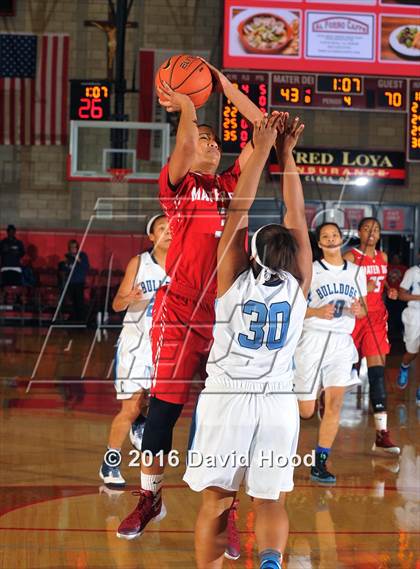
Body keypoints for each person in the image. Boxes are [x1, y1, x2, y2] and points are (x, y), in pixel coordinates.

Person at [116, 63, 267, 553]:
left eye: (214, 139)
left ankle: (229, 512)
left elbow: (263, 129)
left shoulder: (231, 188)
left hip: (228, 316)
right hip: (182, 313)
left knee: (230, 420)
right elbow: (182, 147)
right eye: (203, 137)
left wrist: (226, 89)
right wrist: (186, 105)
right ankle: (150, 498)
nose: (210, 142)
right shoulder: (178, 186)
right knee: (162, 416)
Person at [184, 114, 311, 569]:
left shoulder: (232, 279)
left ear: (251, 251)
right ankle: (271, 560)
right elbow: (296, 215)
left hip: (228, 398)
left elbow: (238, 210)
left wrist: (260, 152)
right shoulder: (301, 283)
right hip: (278, 400)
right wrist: (287, 155)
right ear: (294, 254)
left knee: (217, 502)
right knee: (271, 499)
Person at [100, 214, 171, 488]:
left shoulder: (183, 265)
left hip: (166, 346)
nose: (168, 232)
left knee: (154, 405)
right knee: (129, 408)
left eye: (171, 227)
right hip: (135, 345)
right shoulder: (139, 263)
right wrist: (128, 297)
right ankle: (110, 460)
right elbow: (117, 304)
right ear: (152, 236)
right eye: (161, 228)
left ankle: (141, 421)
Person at [294, 222, 367, 484]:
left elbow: (365, 308)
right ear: (320, 243)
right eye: (325, 236)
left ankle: (320, 463)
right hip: (312, 340)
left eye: (335, 234)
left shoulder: (357, 273)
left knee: (335, 404)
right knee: (306, 411)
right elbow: (295, 308)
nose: (331, 239)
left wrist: (359, 311)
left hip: (340, 343)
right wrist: (315, 311)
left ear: (341, 239)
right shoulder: (310, 271)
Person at [343, 218, 400, 454]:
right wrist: (358, 289)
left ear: (379, 234)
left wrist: (389, 289)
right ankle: (323, 398)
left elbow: (381, 280)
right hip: (353, 316)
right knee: (341, 366)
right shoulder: (350, 257)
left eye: (375, 229)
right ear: (359, 232)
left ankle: (381, 433)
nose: (371, 232)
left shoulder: (382, 257)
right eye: (367, 228)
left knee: (377, 374)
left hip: (375, 318)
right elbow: (339, 283)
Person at [395, 254, 420, 404]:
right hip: (414, 316)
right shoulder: (412, 272)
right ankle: (404, 366)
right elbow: (401, 295)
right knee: (412, 353)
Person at [58, 240, 90, 322]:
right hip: (70, 283)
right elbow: (64, 269)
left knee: (79, 302)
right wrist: (64, 263)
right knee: (72, 302)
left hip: (79, 282)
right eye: (71, 247)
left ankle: (81, 320)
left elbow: (86, 267)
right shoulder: (68, 258)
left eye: (74, 247)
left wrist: (78, 259)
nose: (73, 249)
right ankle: (74, 319)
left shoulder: (82, 255)